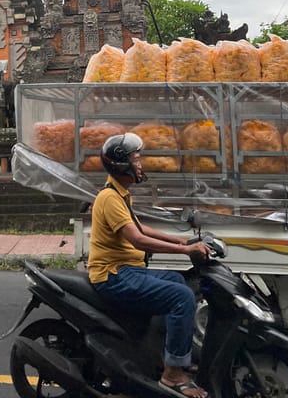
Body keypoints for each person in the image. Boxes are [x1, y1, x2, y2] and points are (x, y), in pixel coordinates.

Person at [87, 132, 211, 398]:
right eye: (136, 159)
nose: (140, 164)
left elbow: (140, 227)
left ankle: (168, 356)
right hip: (114, 276)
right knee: (182, 297)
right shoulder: (108, 198)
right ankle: (172, 374)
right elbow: (138, 240)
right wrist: (185, 250)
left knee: (178, 282)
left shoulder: (119, 194)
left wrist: (180, 240)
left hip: (127, 271)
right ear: (122, 165)